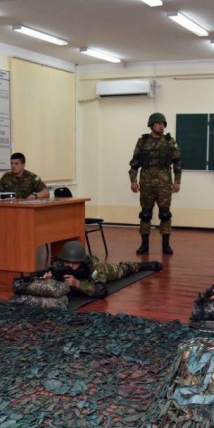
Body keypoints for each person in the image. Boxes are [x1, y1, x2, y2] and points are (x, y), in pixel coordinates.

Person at [128, 112, 181, 256]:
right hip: (146, 184)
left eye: (163, 123)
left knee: (165, 214)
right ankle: (144, 244)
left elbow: (177, 162)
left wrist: (177, 181)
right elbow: (134, 163)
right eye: (158, 123)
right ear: (152, 125)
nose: (161, 126)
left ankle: (166, 245)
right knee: (145, 214)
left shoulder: (170, 142)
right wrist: (133, 181)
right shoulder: (142, 142)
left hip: (164, 184)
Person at [41, 241, 162, 298]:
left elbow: (101, 291)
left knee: (124, 269)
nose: (70, 266)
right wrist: (49, 280)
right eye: (67, 262)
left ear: (81, 261)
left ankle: (143, 265)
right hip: (85, 280)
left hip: (108, 271)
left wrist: (77, 284)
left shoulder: (94, 267)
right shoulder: (59, 265)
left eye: (74, 263)